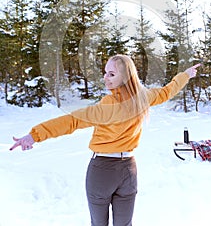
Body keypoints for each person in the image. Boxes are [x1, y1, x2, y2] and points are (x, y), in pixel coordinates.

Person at [10, 54, 200, 226]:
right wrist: (186, 75)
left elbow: (72, 121)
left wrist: (34, 135)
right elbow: (168, 91)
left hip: (102, 171)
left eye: (111, 74)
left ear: (125, 77)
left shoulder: (108, 106)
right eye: (105, 73)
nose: (105, 78)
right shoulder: (143, 98)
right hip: (129, 170)